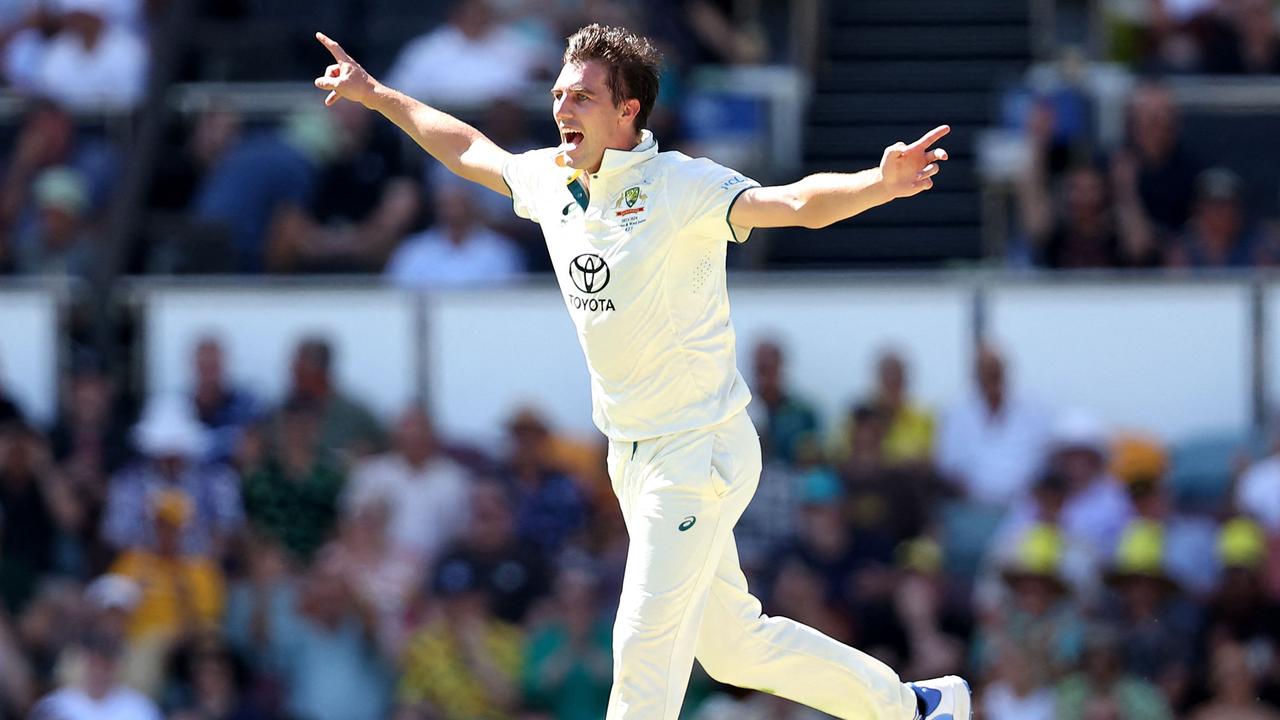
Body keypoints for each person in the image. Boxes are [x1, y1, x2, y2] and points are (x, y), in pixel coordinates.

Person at [313, 22, 965, 720]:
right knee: (733, 646)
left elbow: (797, 205)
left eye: (584, 97)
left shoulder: (681, 186)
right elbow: (470, 149)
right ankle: (915, 707)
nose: (563, 108)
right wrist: (377, 96)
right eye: (561, 93)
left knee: (643, 648)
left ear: (628, 110)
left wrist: (881, 183)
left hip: (697, 447)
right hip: (633, 452)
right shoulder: (551, 178)